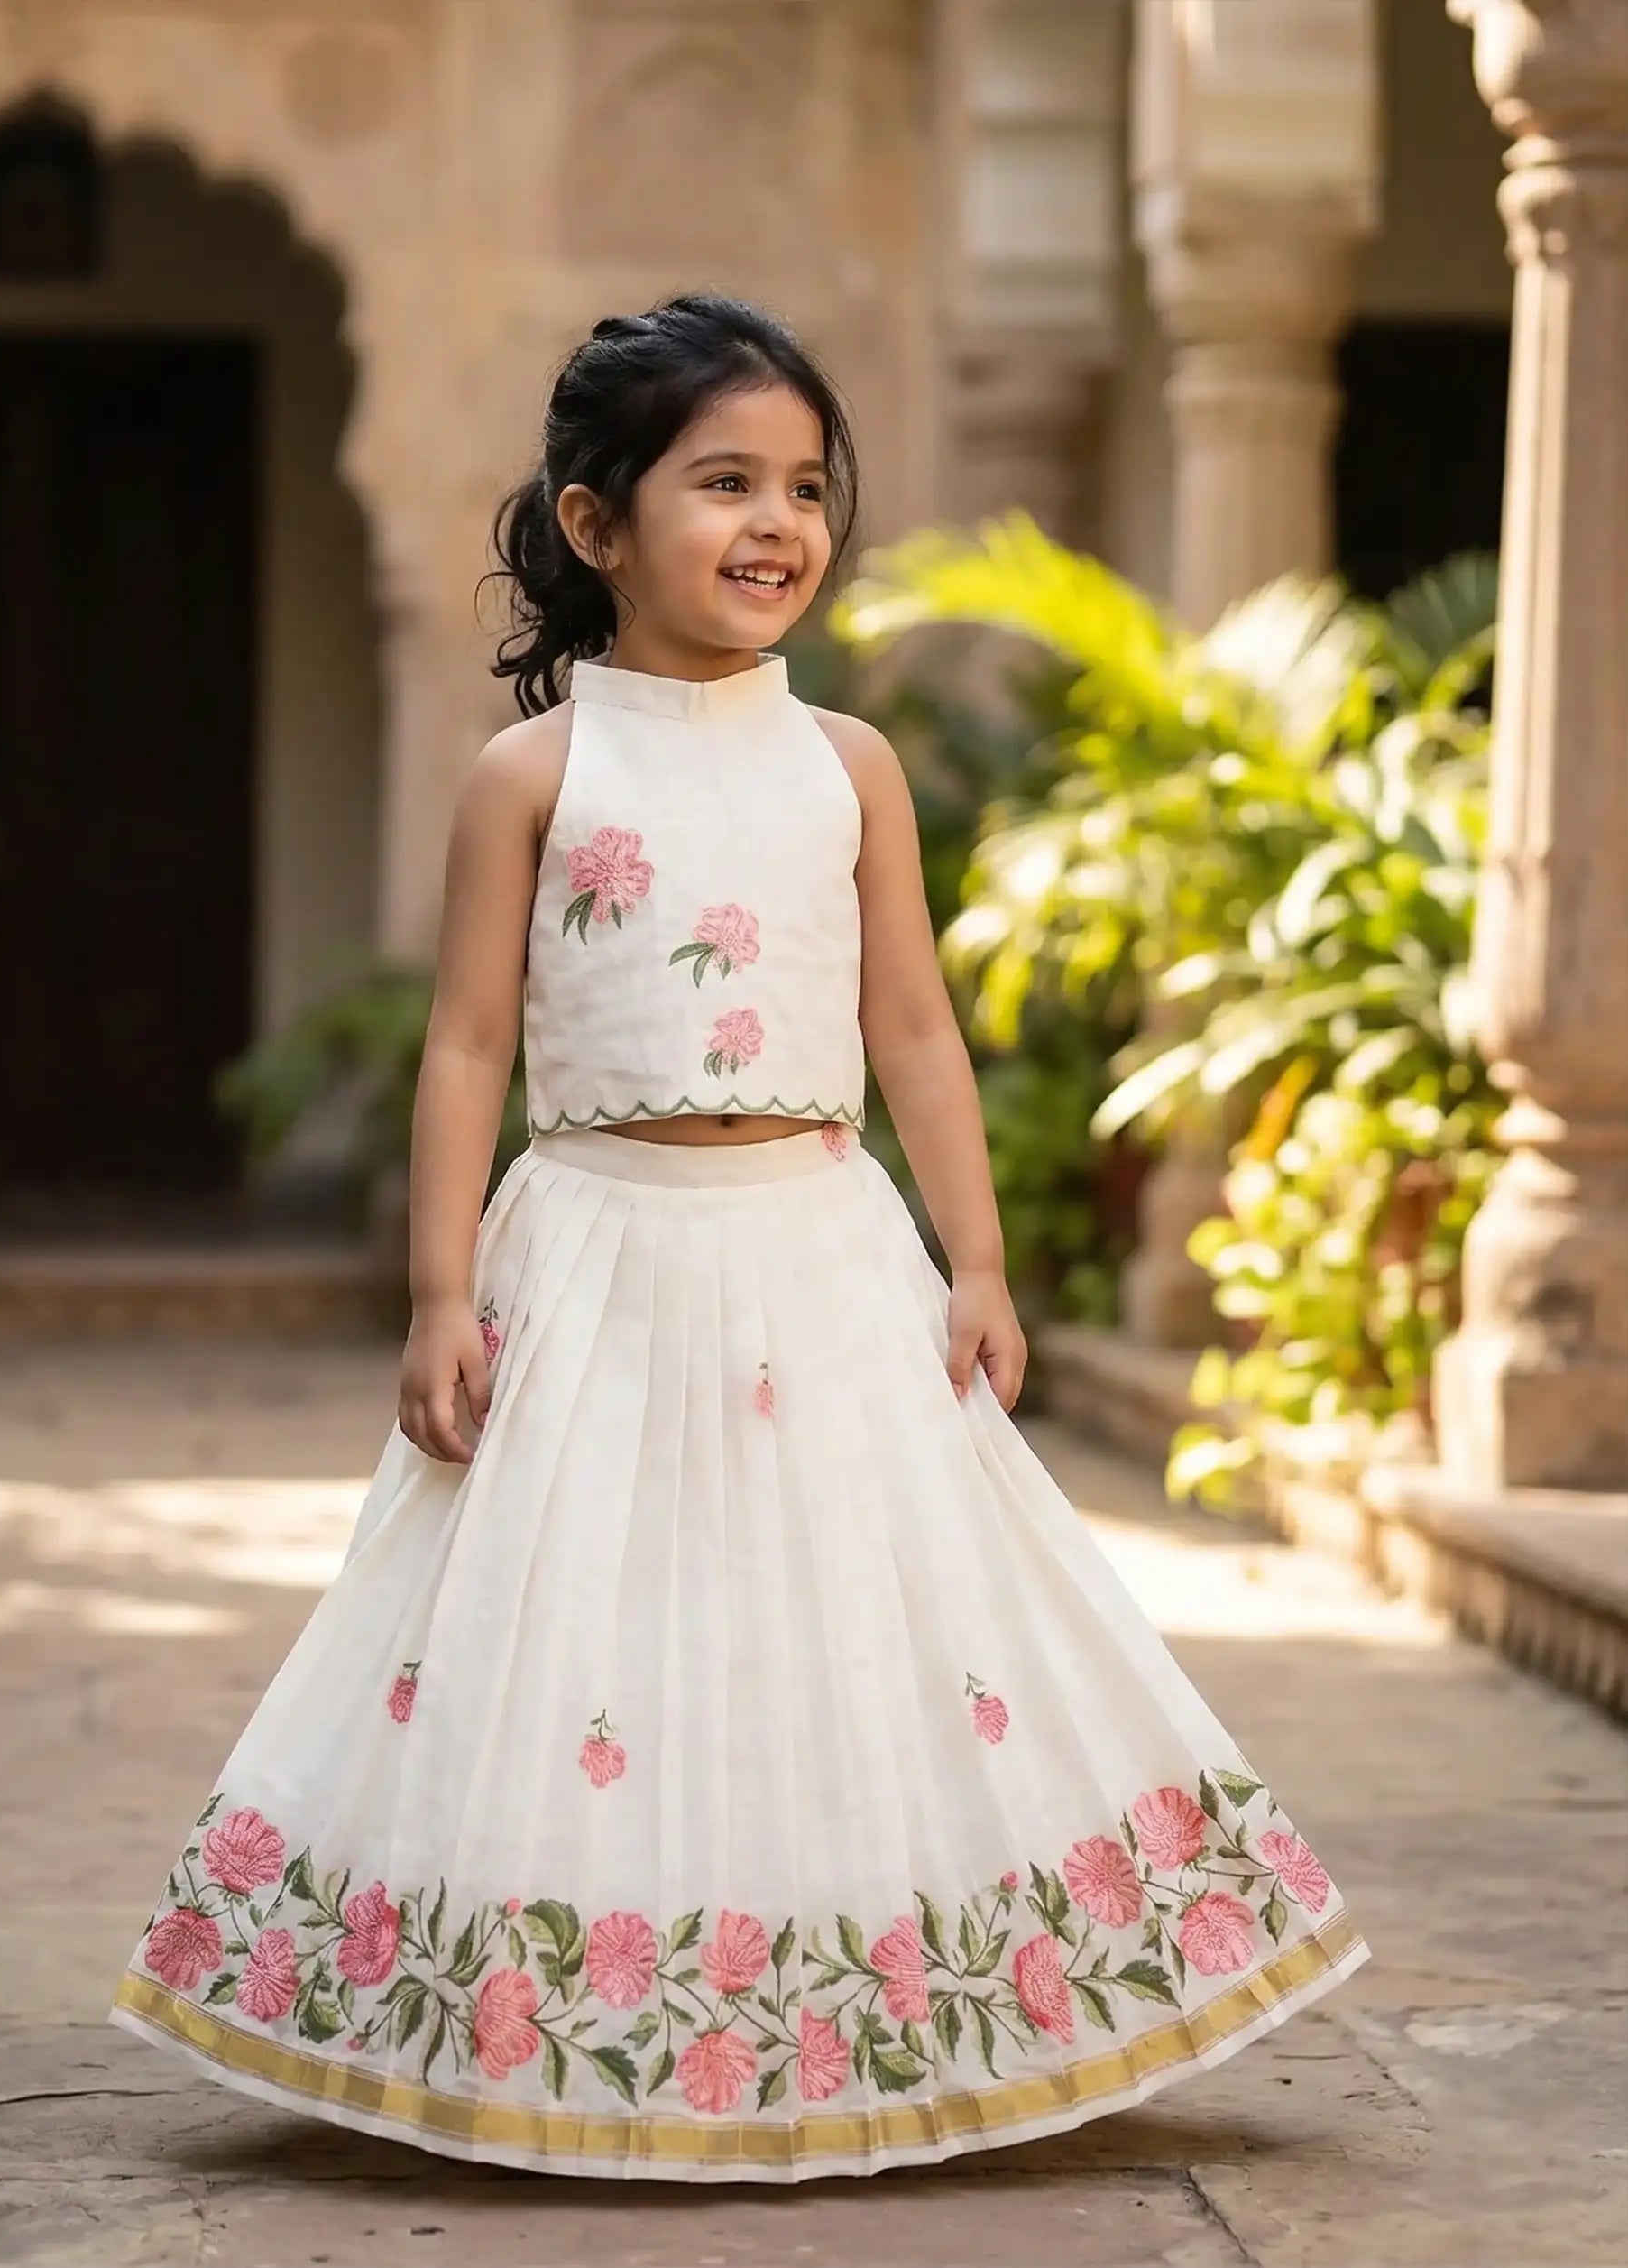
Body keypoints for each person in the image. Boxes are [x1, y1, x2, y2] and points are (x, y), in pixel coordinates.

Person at [110, 291, 1366, 2182]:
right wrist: (441, 1285)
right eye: (722, 482)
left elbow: (913, 1030)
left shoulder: (844, 765)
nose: (776, 521)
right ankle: (559, 2018)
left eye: (803, 485)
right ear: (595, 523)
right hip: (596, 1251)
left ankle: (851, 2008)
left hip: (816, 1250)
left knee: (843, 1625)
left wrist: (977, 1259)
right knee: (586, 1629)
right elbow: (465, 1043)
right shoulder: (532, 778)